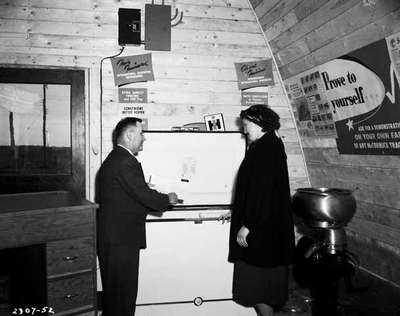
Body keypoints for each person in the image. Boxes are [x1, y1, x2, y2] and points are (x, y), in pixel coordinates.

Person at [97, 117, 179, 316]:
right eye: (141, 133)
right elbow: (143, 196)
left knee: (115, 296)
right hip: (120, 241)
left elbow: (128, 194)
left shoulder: (115, 159)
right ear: (129, 134)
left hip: (114, 239)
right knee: (122, 297)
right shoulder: (125, 161)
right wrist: (168, 198)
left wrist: (145, 190)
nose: (144, 138)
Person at [227, 105, 295, 316]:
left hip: (262, 234)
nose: (244, 131)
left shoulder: (266, 149)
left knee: (259, 288)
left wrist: (248, 225)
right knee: (260, 288)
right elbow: (256, 190)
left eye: (246, 126)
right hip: (265, 229)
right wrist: (236, 211)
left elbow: (263, 194)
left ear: (258, 124)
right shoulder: (267, 146)